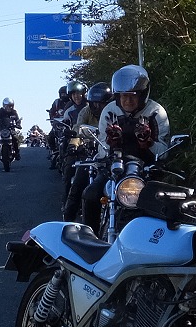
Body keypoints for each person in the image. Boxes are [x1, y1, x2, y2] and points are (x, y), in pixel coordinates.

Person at [80, 65, 170, 231]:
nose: (128, 100)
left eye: (133, 95)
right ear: (117, 96)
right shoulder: (110, 111)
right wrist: (112, 142)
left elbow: (163, 152)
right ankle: (87, 238)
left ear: (142, 94)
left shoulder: (156, 112)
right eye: (124, 96)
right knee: (90, 194)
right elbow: (102, 148)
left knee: (164, 203)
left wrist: (148, 142)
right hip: (114, 167)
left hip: (148, 169)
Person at [62, 81, 110, 220]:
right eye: (94, 103)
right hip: (91, 152)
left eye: (101, 103)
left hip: (111, 155)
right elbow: (78, 129)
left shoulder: (114, 111)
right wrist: (73, 145)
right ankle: (67, 220)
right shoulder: (86, 111)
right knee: (76, 185)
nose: (97, 107)